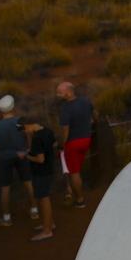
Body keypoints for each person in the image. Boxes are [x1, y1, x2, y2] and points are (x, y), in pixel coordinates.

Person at [0, 94, 38, 226]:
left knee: (5, 187)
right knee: (28, 181)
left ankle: (6, 218)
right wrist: (28, 148)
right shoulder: (19, 121)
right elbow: (29, 134)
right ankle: (34, 210)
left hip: (4, 157)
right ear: (12, 107)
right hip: (22, 154)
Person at [55, 81, 94, 209]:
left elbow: (65, 130)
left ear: (68, 91)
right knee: (78, 167)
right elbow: (94, 116)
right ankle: (76, 194)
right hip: (86, 139)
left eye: (60, 92)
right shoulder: (86, 101)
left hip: (73, 143)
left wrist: (61, 144)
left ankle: (80, 200)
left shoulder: (65, 108)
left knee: (74, 172)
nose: (58, 95)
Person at [22, 118, 57, 241]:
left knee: (44, 199)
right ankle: (49, 223)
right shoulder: (48, 131)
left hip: (41, 172)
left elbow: (40, 159)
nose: (24, 132)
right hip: (48, 169)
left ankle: (47, 231)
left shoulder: (37, 138)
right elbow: (54, 145)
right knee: (45, 197)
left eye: (24, 129)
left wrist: (27, 156)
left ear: (28, 125)